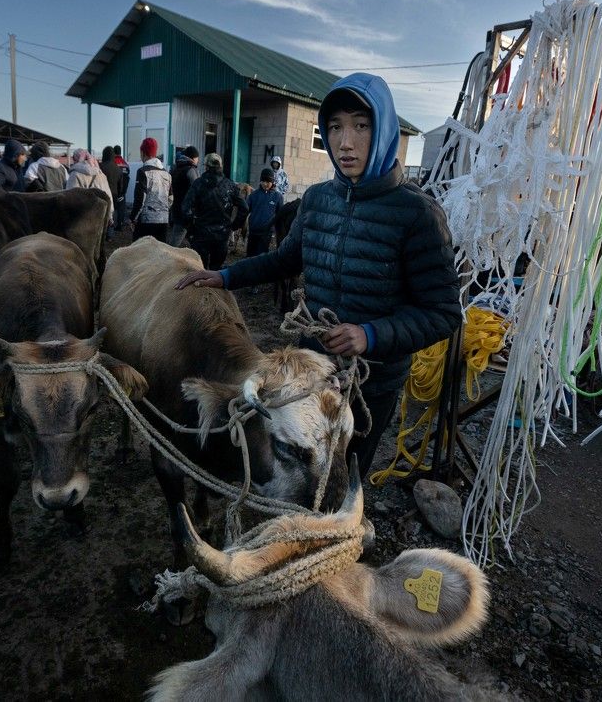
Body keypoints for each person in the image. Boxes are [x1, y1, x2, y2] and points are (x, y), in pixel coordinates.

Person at [176, 73, 462, 476]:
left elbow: (443, 312)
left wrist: (370, 335)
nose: (345, 142)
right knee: (304, 469)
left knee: (346, 474)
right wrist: (224, 276)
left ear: (383, 131)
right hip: (312, 371)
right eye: (335, 127)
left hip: (372, 379)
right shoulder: (317, 200)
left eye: (361, 126)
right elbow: (285, 260)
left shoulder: (418, 214)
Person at [181, 152, 249, 270]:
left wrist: (191, 229)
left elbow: (185, 208)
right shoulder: (230, 185)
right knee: (216, 271)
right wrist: (233, 226)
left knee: (200, 270)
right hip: (222, 236)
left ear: (206, 167)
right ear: (220, 166)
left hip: (201, 235)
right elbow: (245, 208)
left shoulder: (198, 183)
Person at [130, 137, 172, 242]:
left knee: (141, 250)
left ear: (142, 152)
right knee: (159, 250)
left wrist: (133, 218)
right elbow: (171, 198)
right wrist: (162, 210)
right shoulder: (167, 173)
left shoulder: (142, 172)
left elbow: (140, 199)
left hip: (146, 221)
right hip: (163, 221)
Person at [66, 148, 114, 225]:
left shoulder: (75, 175)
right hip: (100, 217)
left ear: (75, 159)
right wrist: (110, 216)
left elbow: (69, 200)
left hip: (82, 220)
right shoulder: (101, 174)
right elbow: (108, 196)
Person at [246, 167, 284, 258]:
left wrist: (278, 233)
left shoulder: (278, 197)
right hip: (253, 231)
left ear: (273, 182)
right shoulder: (253, 195)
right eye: (263, 181)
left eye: (268, 182)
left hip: (266, 233)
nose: (265, 184)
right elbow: (246, 210)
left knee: (261, 256)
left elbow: (280, 216)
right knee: (250, 256)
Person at [170, 145, 200, 247]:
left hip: (176, 209)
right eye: (197, 158)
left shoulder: (175, 168)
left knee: (182, 236)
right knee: (174, 243)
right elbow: (198, 189)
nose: (198, 160)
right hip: (187, 212)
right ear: (193, 157)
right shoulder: (191, 170)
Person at [100, 146, 128, 231]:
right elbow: (123, 182)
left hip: (102, 194)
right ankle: (113, 230)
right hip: (116, 194)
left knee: (102, 213)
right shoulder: (122, 166)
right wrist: (121, 193)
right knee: (114, 212)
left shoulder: (100, 166)